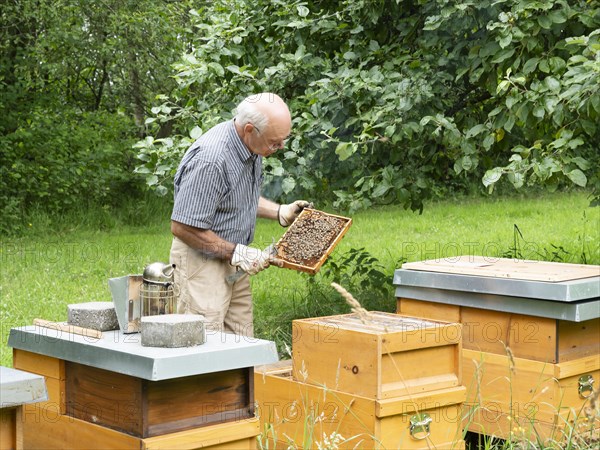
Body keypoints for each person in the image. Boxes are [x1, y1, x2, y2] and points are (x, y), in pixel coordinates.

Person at [169, 93, 310, 338]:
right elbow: (183, 227)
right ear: (249, 129)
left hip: (233, 262)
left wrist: (280, 211)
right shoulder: (211, 160)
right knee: (204, 344)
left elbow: (234, 197)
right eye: (275, 142)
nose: (280, 147)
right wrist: (237, 253)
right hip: (200, 264)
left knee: (241, 343)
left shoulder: (251, 146)